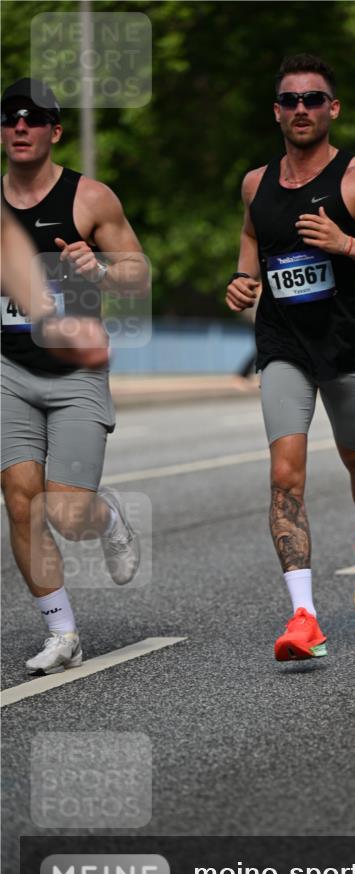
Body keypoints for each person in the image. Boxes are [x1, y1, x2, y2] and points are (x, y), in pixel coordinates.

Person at [226, 54, 355, 660]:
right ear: (277, 111)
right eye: (290, 100)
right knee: (286, 475)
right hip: (283, 346)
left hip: (348, 346)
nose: (301, 109)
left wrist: (346, 243)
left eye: (313, 99)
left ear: (332, 109)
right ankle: (304, 615)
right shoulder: (256, 183)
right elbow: (255, 234)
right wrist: (242, 278)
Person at [1, 78, 149, 675]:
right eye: (9, 118)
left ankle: (108, 516)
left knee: (64, 514)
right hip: (8, 370)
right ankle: (62, 633)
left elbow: (137, 276)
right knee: (19, 502)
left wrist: (101, 268)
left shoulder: (90, 199)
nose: (19, 127)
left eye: (32, 119)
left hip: (74, 376)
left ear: (54, 131)